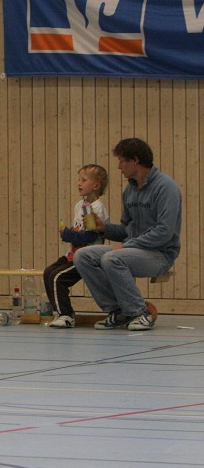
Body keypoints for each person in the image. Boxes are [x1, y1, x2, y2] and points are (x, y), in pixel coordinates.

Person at [74, 138, 181, 331]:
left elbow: (164, 232)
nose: (119, 167)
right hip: (133, 249)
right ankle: (118, 310)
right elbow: (126, 229)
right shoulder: (130, 190)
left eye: (122, 161)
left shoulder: (166, 187)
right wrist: (103, 228)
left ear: (136, 160)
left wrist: (127, 246)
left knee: (112, 258)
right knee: (83, 256)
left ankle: (140, 312)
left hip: (160, 253)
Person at [44, 165, 110, 329]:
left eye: (83, 180)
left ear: (96, 185)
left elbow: (90, 236)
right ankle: (60, 311)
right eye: (78, 179)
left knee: (58, 277)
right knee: (48, 272)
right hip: (72, 254)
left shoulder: (96, 209)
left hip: (87, 257)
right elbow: (79, 229)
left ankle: (66, 315)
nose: (78, 183)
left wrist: (67, 234)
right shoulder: (79, 205)